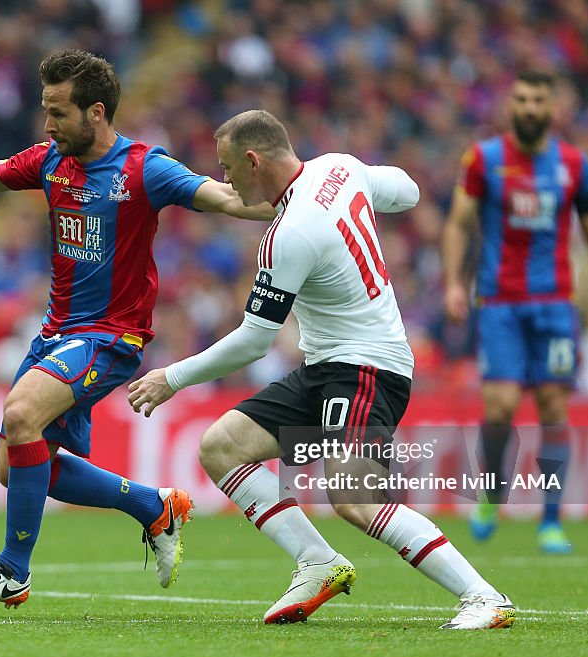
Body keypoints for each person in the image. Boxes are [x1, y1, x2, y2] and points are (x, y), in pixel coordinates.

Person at [0, 50, 274, 607]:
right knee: (12, 466)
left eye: (58, 113)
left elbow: (229, 198)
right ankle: (153, 507)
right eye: (45, 110)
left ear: (96, 112)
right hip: (57, 334)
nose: (47, 124)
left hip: (112, 337)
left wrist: (303, 192)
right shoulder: (48, 161)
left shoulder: (145, 169)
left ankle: (13, 570)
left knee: (19, 415)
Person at [129, 109, 515, 630]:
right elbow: (408, 192)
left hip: (365, 367)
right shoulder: (338, 167)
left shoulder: (287, 234)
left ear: (253, 159)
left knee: (355, 499)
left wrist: (170, 377)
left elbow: (254, 342)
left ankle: (484, 597)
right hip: (330, 364)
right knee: (222, 447)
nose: (226, 181)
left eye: (227, 168)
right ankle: (317, 562)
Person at [441, 70, 588, 554]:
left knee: (553, 410)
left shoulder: (572, 164)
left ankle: (549, 521)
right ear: (510, 105)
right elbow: (459, 224)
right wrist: (454, 283)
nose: (528, 108)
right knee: (499, 409)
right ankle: (491, 493)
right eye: (520, 99)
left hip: (555, 306)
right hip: (499, 303)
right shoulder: (484, 159)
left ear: (551, 107)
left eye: (537, 100)